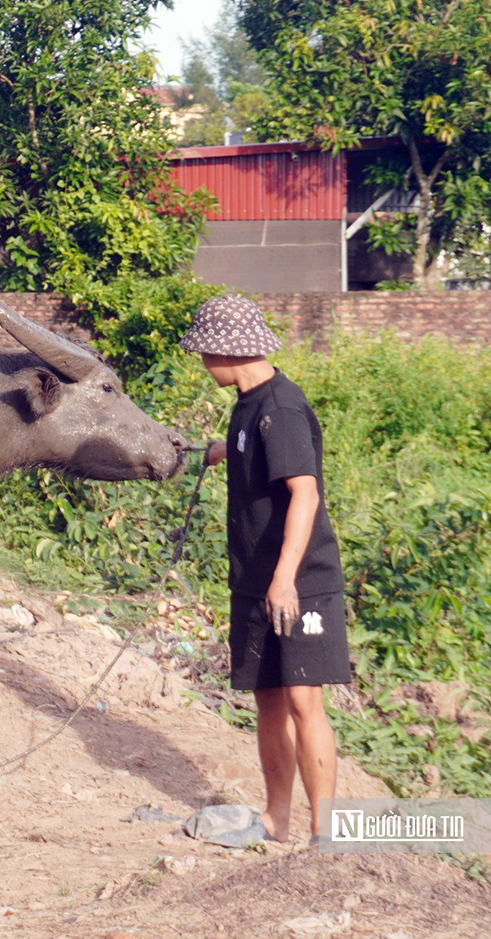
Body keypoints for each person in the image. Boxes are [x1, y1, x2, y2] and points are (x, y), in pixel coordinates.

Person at [180, 294, 349, 845]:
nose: (203, 364)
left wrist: (284, 580)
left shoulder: (283, 408)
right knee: (268, 699)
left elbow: (305, 493)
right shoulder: (249, 405)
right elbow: (250, 447)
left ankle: (323, 833)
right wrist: (209, 452)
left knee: (304, 699)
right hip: (253, 578)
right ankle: (278, 820)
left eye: (206, 354)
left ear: (229, 353)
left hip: (299, 581)